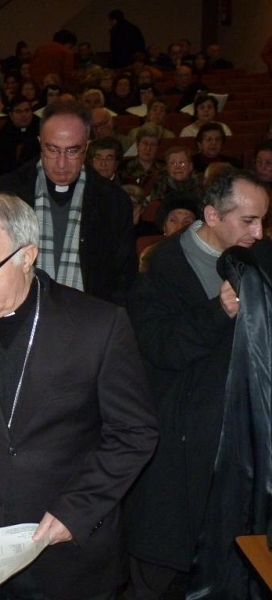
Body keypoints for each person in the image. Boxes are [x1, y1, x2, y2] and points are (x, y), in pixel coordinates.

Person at [0, 192, 158, 599]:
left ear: (27, 256)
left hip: (71, 552)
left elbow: (135, 433)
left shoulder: (99, 326)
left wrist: (75, 511)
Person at [124, 169, 269, 598]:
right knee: (162, 569)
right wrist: (218, 311)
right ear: (211, 215)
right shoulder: (162, 265)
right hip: (178, 446)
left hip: (239, 441)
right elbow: (160, 348)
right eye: (248, 221)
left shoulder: (260, 258)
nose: (259, 232)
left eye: (263, 220)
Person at [0, 101, 136, 304]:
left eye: (72, 151)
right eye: (52, 150)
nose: (61, 164)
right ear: (40, 142)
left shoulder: (113, 201)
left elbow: (123, 278)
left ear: (86, 147)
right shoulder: (5, 195)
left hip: (88, 316)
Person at [0, 96, 40, 177]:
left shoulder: (40, 133)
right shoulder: (1, 136)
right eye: (18, 111)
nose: (24, 115)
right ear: (11, 115)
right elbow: (0, 166)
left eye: (27, 110)